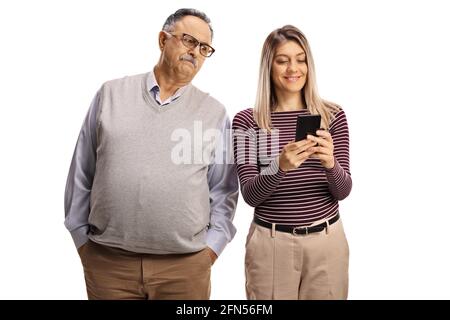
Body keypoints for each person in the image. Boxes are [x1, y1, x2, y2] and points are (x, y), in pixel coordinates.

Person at [64, 8, 238, 300]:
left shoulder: (215, 113)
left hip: (184, 269)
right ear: (162, 39)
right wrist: (82, 239)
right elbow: (82, 171)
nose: (195, 52)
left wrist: (210, 251)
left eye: (204, 48)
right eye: (188, 41)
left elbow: (223, 191)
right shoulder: (111, 94)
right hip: (109, 265)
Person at [232, 25, 352, 300]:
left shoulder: (333, 116)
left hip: (327, 242)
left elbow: (343, 191)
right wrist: (279, 167)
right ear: (269, 67)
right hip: (271, 245)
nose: (292, 68)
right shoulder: (247, 121)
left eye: (300, 59)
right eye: (282, 60)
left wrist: (331, 164)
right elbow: (250, 195)